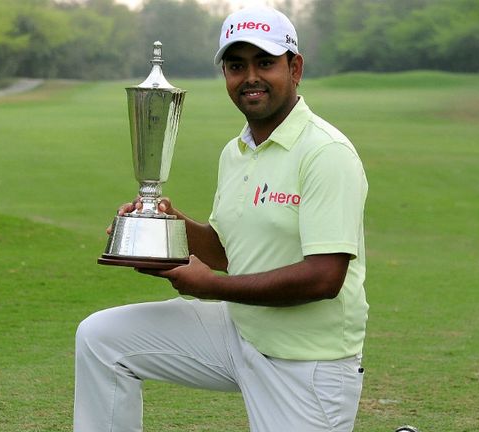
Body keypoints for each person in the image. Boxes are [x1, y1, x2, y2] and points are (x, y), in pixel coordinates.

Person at [74, 6, 368, 432]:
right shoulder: (237, 151)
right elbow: (229, 250)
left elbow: (324, 277)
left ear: (295, 67)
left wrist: (212, 288)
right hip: (239, 333)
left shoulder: (326, 153)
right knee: (101, 338)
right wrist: (164, 222)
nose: (250, 76)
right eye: (236, 65)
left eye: (265, 63)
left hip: (306, 363)